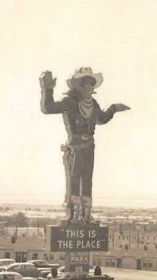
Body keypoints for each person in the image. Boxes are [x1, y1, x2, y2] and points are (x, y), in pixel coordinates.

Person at [40, 67, 130, 224]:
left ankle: (86, 214)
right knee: (74, 180)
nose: (90, 87)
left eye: (92, 84)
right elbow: (48, 108)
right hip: (75, 148)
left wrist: (113, 108)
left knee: (87, 180)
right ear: (79, 86)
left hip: (89, 147)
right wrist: (48, 89)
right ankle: (73, 214)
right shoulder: (70, 102)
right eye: (86, 83)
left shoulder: (93, 104)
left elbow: (101, 118)